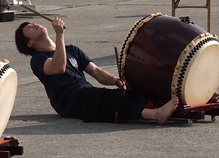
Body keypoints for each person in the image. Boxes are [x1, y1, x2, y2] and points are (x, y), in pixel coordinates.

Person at [15, 17, 179, 123]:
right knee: (108, 99)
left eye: (32, 23)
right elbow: (58, 68)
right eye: (28, 28)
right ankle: (156, 115)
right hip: (69, 101)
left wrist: (115, 80)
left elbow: (96, 73)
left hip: (85, 91)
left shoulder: (72, 50)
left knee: (129, 92)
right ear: (30, 44)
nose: (34, 25)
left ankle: (162, 108)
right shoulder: (38, 59)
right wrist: (59, 35)